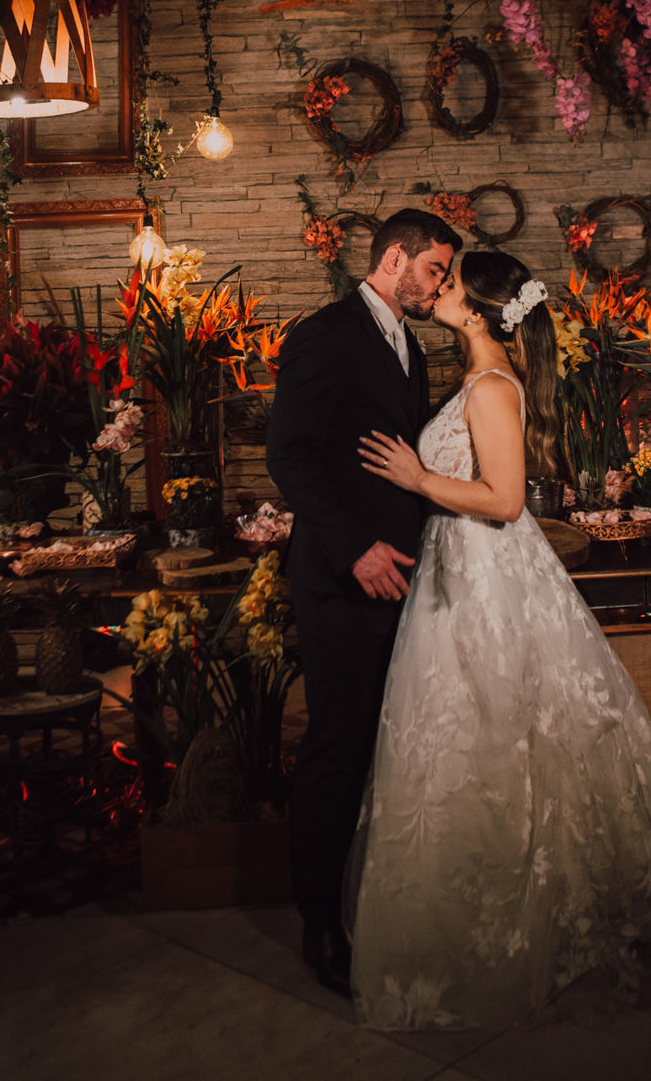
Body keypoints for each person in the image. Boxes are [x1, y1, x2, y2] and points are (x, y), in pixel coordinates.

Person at [347, 249, 651, 1030]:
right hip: (457, 576)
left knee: (500, 736)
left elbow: (503, 500)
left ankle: (520, 912)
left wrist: (416, 480)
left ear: (484, 312)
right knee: (476, 741)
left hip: (486, 576)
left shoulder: (491, 387)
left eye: (452, 283)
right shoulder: (472, 379)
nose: (438, 288)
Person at [265, 206, 461, 996]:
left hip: (397, 578)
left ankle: (363, 896)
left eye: (444, 274)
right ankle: (319, 925)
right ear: (393, 259)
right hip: (343, 580)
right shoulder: (326, 333)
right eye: (435, 270)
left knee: (382, 748)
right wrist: (353, 547)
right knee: (337, 747)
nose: (439, 285)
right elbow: (289, 454)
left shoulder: (404, 343)